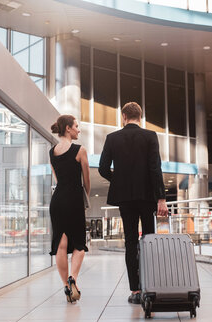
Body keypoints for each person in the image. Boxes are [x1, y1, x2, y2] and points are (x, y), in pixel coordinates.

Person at [99, 102, 168, 305]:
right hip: (147, 197)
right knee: (148, 239)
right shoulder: (150, 136)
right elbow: (155, 169)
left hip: (125, 198)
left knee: (130, 241)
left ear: (123, 116)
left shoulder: (112, 138)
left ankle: (136, 290)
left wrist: (119, 180)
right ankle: (150, 286)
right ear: (140, 117)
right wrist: (161, 198)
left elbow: (103, 168)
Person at [49, 115, 90, 303]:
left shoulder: (52, 152)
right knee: (79, 244)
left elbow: (58, 180)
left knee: (61, 245)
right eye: (76, 126)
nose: (78, 130)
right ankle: (73, 276)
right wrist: (84, 199)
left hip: (57, 200)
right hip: (74, 199)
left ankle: (66, 286)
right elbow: (86, 182)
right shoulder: (80, 150)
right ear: (67, 128)